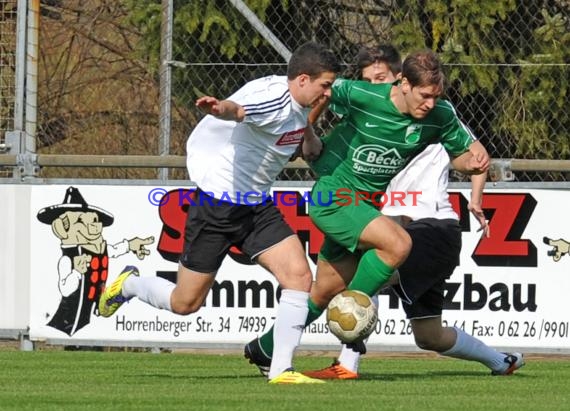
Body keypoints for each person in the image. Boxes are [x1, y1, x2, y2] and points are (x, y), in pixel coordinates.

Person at [245, 46, 523, 378]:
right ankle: (355, 314)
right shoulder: (363, 94)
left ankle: (265, 348)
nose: (430, 103)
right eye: (424, 95)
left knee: (322, 292)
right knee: (398, 244)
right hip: (333, 197)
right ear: (403, 83)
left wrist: (472, 163)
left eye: (436, 96)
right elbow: (319, 92)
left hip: (364, 205)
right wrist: (304, 135)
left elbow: (461, 157)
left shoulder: (440, 115)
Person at [98, 41, 341, 384]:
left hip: (256, 207)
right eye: (325, 84)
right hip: (217, 207)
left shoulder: (300, 105)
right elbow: (239, 110)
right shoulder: (272, 97)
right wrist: (219, 108)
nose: (327, 92)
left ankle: (282, 370)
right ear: (302, 79)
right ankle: (130, 285)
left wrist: (311, 135)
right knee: (185, 303)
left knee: (299, 278)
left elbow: (303, 138)